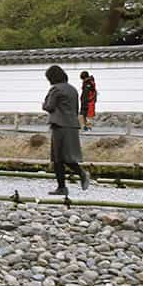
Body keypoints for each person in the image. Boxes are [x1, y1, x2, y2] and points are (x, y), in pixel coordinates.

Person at [43, 64, 90, 195]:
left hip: (60, 125)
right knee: (66, 156)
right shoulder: (73, 89)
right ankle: (70, 181)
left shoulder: (56, 89)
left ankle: (66, 184)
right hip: (72, 125)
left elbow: (49, 106)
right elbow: (75, 109)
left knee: (58, 158)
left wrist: (44, 103)